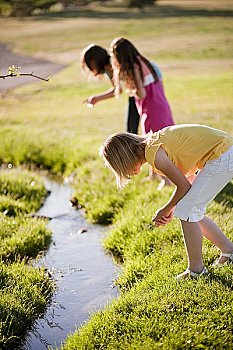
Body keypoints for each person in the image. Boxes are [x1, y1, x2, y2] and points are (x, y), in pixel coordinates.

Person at [99, 124, 233, 279]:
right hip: (223, 151)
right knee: (188, 209)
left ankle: (196, 271)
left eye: (121, 167)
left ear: (126, 158)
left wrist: (166, 209)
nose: (126, 172)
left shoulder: (154, 154)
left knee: (188, 211)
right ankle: (228, 252)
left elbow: (183, 186)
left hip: (223, 154)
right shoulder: (153, 145)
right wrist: (173, 208)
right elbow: (187, 182)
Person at [110, 37, 175, 186]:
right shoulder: (143, 61)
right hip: (161, 105)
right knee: (155, 142)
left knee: (154, 144)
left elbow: (141, 94)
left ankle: (167, 179)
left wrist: (130, 89)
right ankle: (154, 175)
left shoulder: (134, 67)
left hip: (151, 110)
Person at [81, 44, 140, 134]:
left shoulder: (111, 64)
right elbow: (117, 90)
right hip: (135, 93)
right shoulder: (108, 65)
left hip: (140, 91)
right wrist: (96, 98)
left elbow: (117, 90)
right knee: (131, 129)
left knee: (131, 130)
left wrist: (97, 98)